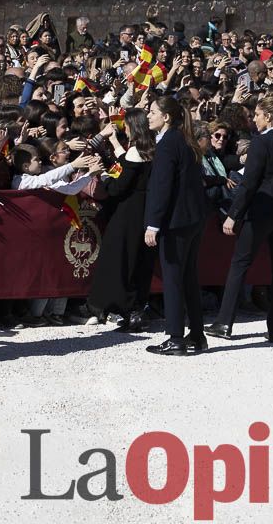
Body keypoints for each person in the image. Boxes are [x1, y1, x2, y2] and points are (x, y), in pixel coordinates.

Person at [208, 95, 273, 343]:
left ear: (269, 116)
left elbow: (249, 183)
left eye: (258, 115)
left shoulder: (261, 142)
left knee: (240, 263)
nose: (254, 118)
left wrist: (233, 215)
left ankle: (223, 323)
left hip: (262, 209)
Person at [143, 95, 210, 356]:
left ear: (166, 117)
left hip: (176, 221)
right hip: (193, 219)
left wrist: (153, 224)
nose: (148, 116)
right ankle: (197, 334)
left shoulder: (168, 143)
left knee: (173, 280)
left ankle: (175, 338)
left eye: (152, 112)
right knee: (189, 278)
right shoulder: (185, 140)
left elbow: (162, 188)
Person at [88, 109, 157, 331]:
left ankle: (125, 311)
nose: (124, 128)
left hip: (128, 213)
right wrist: (115, 142)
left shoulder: (136, 151)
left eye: (126, 125)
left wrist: (103, 176)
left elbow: (118, 187)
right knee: (139, 261)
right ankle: (137, 309)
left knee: (121, 261)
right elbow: (128, 162)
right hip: (144, 211)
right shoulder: (151, 149)